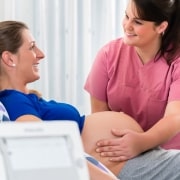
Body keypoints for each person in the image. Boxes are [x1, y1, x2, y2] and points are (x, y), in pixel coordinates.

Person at [0, 20, 180, 180]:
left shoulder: (24, 98)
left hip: (133, 157)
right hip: (121, 165)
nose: (40, 54)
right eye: (32, 47)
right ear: (9, 59)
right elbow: (45, 146)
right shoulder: (14, 101)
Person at [84, 0, 180, 161]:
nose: (127, 26)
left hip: (168, 155)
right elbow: (100, 116)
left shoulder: (176, 61)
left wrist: (141, 143)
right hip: (122, 152)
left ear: (161, 27)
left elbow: (175, 117)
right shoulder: (108, 55)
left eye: (137, 22)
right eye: (127, 16)